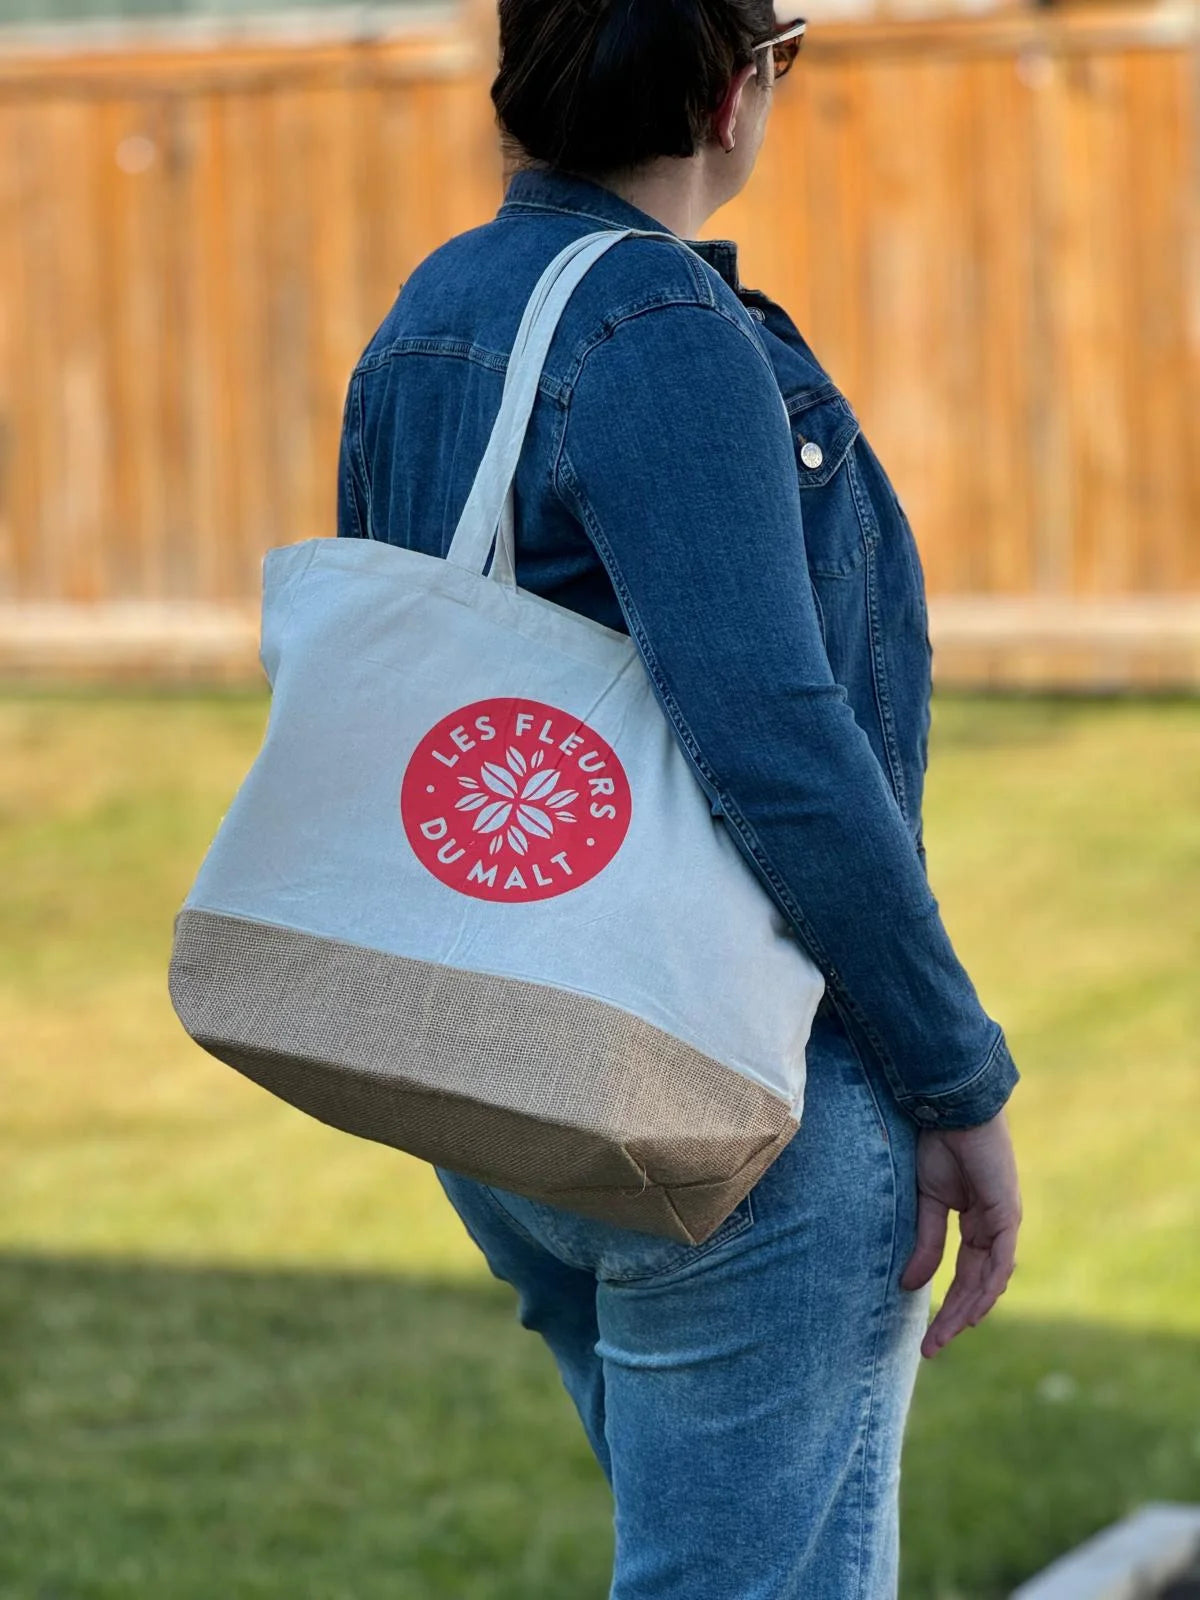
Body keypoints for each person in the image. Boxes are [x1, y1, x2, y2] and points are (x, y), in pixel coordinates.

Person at [336, 3, 1023, 1594]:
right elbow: (778, 741)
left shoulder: (433, 311)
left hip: (499, 1077)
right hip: (730, 1109)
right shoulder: (665, 336)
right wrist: (956, 1081)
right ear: (734, 89)